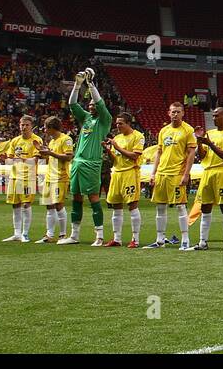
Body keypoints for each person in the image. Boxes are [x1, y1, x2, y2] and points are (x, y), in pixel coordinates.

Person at [59, 70, 112, 247]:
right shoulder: (86, 118)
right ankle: (74, 235)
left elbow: (99, 102)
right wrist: (77, 85)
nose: (90, 106)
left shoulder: (105, 119)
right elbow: (72, 103)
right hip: (77, 163)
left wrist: (90, 84)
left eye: (92, 104)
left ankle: (99, 236)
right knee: (76, 198)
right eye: (89, 104)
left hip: (92, 164)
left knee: (94, 198)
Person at [146, 100, 196, 251]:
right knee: (160, 207)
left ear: (183, 113)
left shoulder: (188, 130)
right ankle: (160, 239)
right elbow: (159, 152)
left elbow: (192, 152)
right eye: (172, 112)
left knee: (180, 207)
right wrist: (153, 173)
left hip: (177, 174)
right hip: (162, 173)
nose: (175, 114)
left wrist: (186, 174)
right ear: (168, 113)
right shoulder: (164, 131)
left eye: (178, 112)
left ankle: (185, 240)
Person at [194, 107, 223, 253]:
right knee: (205, 207)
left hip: (221, 171)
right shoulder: (209, 133)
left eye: (217, 116)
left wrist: (209, 143)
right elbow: (201, 156)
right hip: (207, 172)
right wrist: (200, 142)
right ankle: (202, 242)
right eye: (213, 116)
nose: (214, 118)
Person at [103, 112, 145, 248]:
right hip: (116, 173)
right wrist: (109, 151)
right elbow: (115, 159)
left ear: (128, 123)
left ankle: (135, 239)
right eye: (116, 123)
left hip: (130, 173)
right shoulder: (117, 138)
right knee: (116, 206)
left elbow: (134, 156)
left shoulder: (138, 136)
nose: (117, 125)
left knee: (132, 205)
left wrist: (117, 148)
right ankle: (117, 238)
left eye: (120, 123)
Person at [0, 115, 42, 243]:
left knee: (26, 204)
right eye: (22, 124)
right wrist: (4, 159)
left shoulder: (36, 140)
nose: (24, 127)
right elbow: (10, 159)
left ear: (31, 126)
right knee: (15, 205)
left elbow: (34, 160)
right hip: (14, 176)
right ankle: (16, 233)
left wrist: (21, 159)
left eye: (26, 125)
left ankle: (25, 234)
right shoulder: (15, 141)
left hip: (28, 177)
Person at [37, 116, 73, 244]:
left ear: (52, 128)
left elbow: (68, 157)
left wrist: (51, 153)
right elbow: (52, 158)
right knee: (49, 205)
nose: (44, 130)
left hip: (60, 177)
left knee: (59, 205)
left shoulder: (66, 139)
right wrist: (42, 153)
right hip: (49, 176)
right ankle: (49, 235)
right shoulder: (52, 141)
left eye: (46, 127)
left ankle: (63, 235)